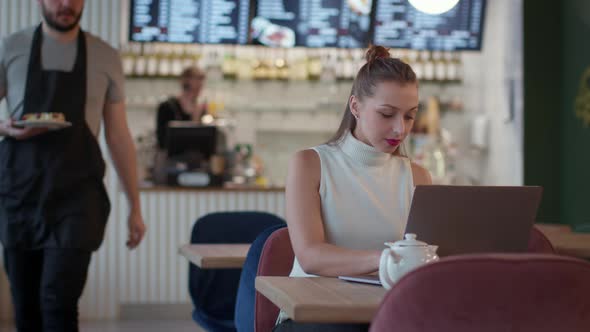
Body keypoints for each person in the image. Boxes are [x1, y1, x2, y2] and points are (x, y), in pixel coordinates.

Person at [0, 1, 146, 331]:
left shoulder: (106, 56)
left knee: (58, 301)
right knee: (25, 305)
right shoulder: (11, 46)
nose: (66, 4)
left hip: (77, 197)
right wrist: (4, 126)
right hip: (20, 195)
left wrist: (134, 206)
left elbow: (119, 136)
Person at [276, 45, 432, 331]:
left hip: (387, 313)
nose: (401, 129)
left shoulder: (418, 176)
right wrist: (389, 260)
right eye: (387, 114)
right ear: (355, 107)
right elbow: (311, 257)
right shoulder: (310, 164)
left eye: (409, 116)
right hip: (316, 314)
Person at [155, 66, 207, 149]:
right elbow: (162, 141)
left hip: (196, 158)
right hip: (171, 159)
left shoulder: (201, 108)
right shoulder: (167, 106)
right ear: (184, 81)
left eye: (201, 80)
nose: (200, 84)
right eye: (197, 79)